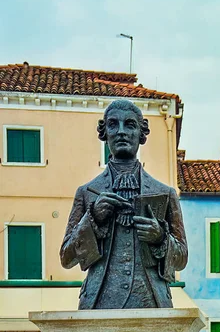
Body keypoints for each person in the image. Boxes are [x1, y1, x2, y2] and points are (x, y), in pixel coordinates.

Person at [60, 99, 188, 309]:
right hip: (99, 300)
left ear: (141, 133)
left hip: (151, 300)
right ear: (104, 134)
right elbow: (67, 257)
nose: (121, 132)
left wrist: (160, 238)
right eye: (113, 124)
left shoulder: (165, 193)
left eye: (129, 125)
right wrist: (92, 221)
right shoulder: (86, 193)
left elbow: (181, 258)